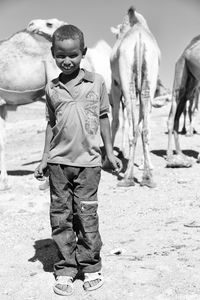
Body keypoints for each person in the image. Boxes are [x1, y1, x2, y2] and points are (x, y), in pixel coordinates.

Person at [34, 24, 122, 296]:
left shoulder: (96, 82)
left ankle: (91, 266)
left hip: (89, 164)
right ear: (53, 54)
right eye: (61, 55)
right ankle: (66, 269)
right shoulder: (52, 88)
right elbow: (51, 123)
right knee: (61, 217)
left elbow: (105, 116)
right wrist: (44, 158)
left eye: (73, 55)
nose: (67, 60)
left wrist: (109, 151)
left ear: (83, 53)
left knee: (86, 216)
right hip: (59, 164)